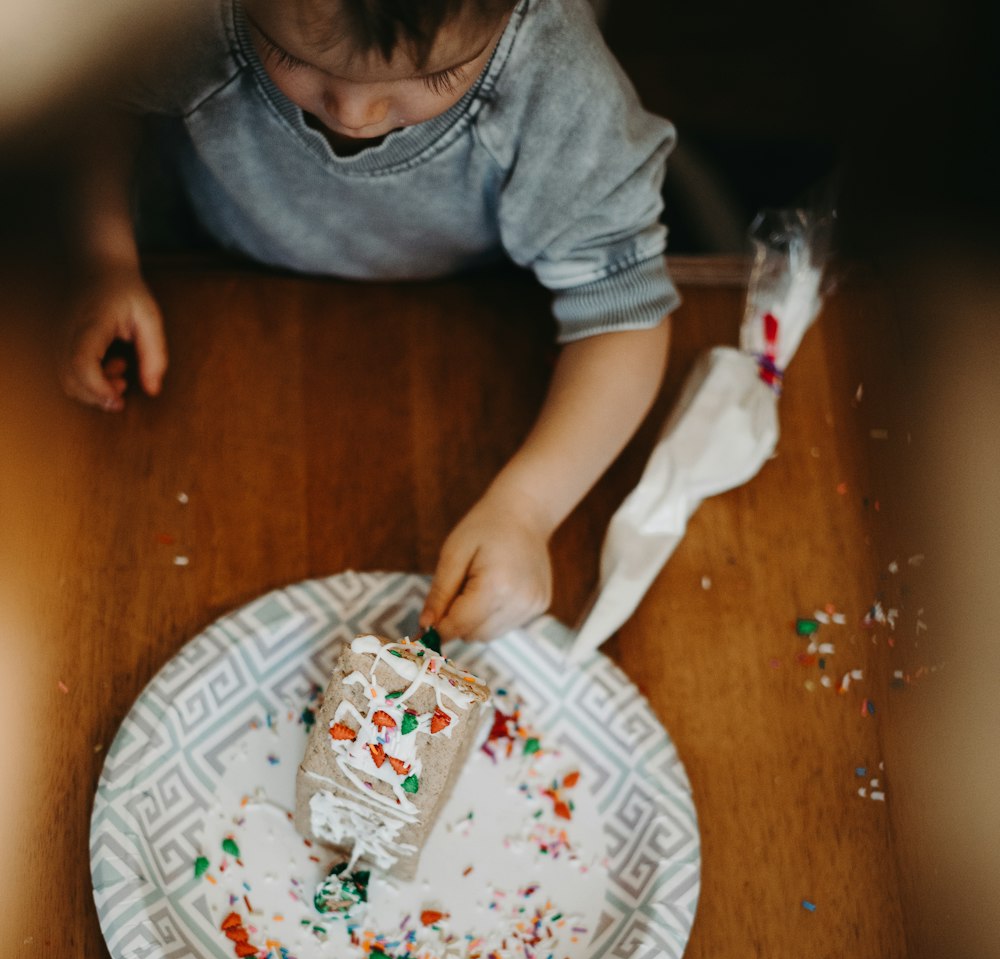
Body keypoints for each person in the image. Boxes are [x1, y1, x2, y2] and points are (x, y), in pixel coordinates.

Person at [59, 0, 678, 640]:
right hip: (212, 270)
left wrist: (527, 507)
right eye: (291, 57)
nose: (356, 113)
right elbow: (92, 108)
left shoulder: (554, 77)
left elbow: (622, 310)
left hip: (466, 304)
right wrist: (101, 259)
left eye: (437, 78)